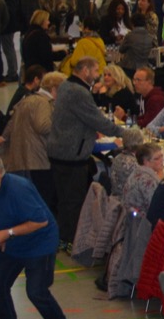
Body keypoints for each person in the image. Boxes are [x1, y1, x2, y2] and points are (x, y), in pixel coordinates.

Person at [0, 154, 68, 319]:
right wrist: (3, 238)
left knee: (36, 291)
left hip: (40, 244)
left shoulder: (19, 189)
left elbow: (41, 221)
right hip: (15, 244)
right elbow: (2, 216)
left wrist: (8, 233)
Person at [46, 55, 117, 246]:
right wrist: (124, 133)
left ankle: (63, 238)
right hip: (71, 156)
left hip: (60, 151)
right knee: (73, 201)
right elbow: (96, 119)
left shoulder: (67, 86)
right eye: (95, 71)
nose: (98, 75)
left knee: (64, 200)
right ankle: (71, 241)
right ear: (85, 70)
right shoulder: (78, 91)